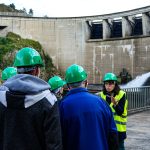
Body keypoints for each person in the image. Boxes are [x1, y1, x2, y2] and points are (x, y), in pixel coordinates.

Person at [0, 47, 62, 150]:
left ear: (17, 69)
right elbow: (54, 144)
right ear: (37, 70)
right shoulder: (48, 101)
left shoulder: (1, 98)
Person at [59, 64, 119, 150]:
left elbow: (58, 139)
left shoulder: (62, 105)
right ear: (86, 82)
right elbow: (113, 135)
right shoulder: (102, 103)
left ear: (68, 86)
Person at [97, 72, 128, 150]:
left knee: (119, 147)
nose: (108, 86)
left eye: (111, 84)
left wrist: (115, 104)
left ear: (115, 84)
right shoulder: (101, 95)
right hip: (106, 129)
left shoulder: (121, 94)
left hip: (119, 130)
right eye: (106, 84)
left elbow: (120, 112)